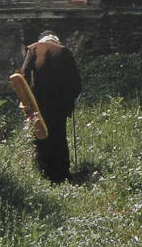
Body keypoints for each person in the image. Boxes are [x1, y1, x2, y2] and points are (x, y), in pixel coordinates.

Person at [19, 30, 82, 182]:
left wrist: (26, 100)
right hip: (58, 103)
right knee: (59, 136)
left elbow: (23, 75)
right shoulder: (63, 51)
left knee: (40, 136)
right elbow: (75, 81)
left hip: (38, 102)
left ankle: (44, 172)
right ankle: (62, 174)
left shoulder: (33, 48)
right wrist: (71, 99)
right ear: (56, 41)